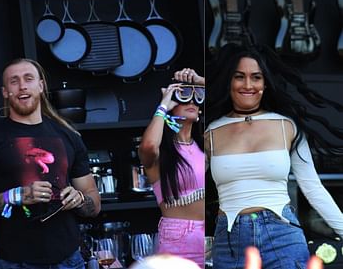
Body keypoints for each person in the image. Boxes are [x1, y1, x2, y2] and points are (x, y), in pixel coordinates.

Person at [205, 43, 343, 268]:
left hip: (282, 236)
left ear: (265, 83)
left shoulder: (286, 126)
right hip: (230, 239)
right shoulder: (211, 131)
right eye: (239, 77)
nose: (248, 85)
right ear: (228, 81)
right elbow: (189, 184)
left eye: (256, 77)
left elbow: (313, 188)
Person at [0, 58, 101, 269]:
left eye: (29, 78)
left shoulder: (69, 135)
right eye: (14, 81)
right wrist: (16, 196)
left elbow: (94, 204)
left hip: (69, 260)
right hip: (13, 261)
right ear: (5, 92)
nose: (23, 86)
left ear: (41, 86)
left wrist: (79, 199)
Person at [138, 68, 205, 268]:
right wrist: (164, 104)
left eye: (197, 95)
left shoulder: (204, 146)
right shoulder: (162, 153)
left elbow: (231, 95)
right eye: (183, 95)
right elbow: (148, 146)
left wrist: (200, 80)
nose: (191, 100)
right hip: (179, 237)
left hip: (212, 237)